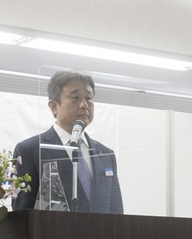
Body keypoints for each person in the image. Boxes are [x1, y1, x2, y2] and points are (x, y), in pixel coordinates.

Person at [12, 70, 124, 214]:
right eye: (75, 98)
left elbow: (116, 212)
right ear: (54, 106)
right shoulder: (30, 150)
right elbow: (22, 215)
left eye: (88, 98)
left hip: (102, 236)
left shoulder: (105, 155)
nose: (84, 105)